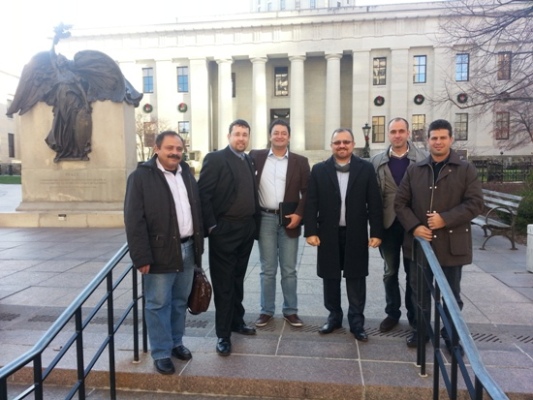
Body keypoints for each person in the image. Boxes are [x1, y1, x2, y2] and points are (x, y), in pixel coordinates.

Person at [394, 119, 483, 352]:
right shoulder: (415, 169)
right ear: (428, 140)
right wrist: (414, 227)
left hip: (452, 245)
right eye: (434, 137)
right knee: (419, 293)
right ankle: (421, 331)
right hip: (420, 244)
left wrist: (446, 218)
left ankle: (452, 336)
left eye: (443, 137)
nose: (438, 142)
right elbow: (400, 203)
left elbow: (475, 204)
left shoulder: (466, 170)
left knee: (451, 295)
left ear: (451, 140)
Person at [124, 131, 204, 375]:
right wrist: (141, 256)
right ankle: (160, 352)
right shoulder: (141, 177)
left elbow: (195, 209)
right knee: (158, 303)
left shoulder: (187, 174)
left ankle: (176, 342)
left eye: (179, 149)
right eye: (169, 148)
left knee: (180, 301)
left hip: (188, 249)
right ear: (156, 148)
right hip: (159, 252)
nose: (175, 153)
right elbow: (133, 219)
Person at [304, 128, 383, 342]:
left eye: (346, 142)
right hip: (327, 234)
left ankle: (357, 322)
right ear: (332, 145)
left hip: (356, 234)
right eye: (337, 142)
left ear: (352, 144)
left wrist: (376, 232)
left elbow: (374, 203)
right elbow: (311, 202)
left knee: (356, 278)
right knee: (330, 277)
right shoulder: (319, 170)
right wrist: (310, 231)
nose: (342, 146)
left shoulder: (365, 169)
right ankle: (334, 317)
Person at [198, 119, 260, 357]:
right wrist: (213, 226)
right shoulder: (215, 159)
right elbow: (203, 193)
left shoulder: (248, 159)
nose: (241, 138)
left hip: (245, 229)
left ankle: (237, 321)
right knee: (224, 285)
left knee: (237, 280)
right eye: (237, 134)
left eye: (245, 134)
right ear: (229, 135)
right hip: (224, 230)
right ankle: (223, 335)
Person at [249, 119, 310, 328]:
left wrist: (299, 215)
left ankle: (290, 311)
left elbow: (308, 192)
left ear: (289, 137)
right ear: (270, 136)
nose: (280, 136)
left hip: (289, 219)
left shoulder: (300, 162)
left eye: (284, 133)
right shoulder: (255, 157)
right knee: (267, 269)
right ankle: (266, 310)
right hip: (264, 218)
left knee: (289, 269)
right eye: (276, 133)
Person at [370, 118, 427, 334]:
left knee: (413, 273)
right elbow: (373, 198)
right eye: (393, 131)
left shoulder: (422, 159)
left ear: (408, 133)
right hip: (388, 224)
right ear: (388, 134)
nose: (397, 135)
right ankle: (392, 312)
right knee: (390, 271)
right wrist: (374, 229)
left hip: (413, 225)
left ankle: (414, 316)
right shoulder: (377, 161)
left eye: (401, 131)